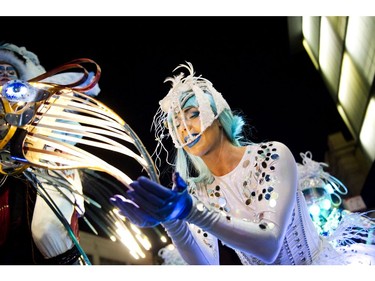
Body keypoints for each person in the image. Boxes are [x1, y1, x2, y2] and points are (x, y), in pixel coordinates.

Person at [110, 62, 375, 265]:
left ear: (217, 114)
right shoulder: (198, 192)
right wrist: (172, 221)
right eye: (175, 124)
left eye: (192, 114)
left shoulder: (271, 156)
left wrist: (193, 213)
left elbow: (269, 246)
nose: (184, 129)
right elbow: (206, 267)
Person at [0, 42, 99, 264]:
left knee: (45, 233)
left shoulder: (40, 104)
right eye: (0, 71)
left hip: (36, 181)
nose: (5, 75)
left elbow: (66, 132)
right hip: (5, 187)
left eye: (11, 71)